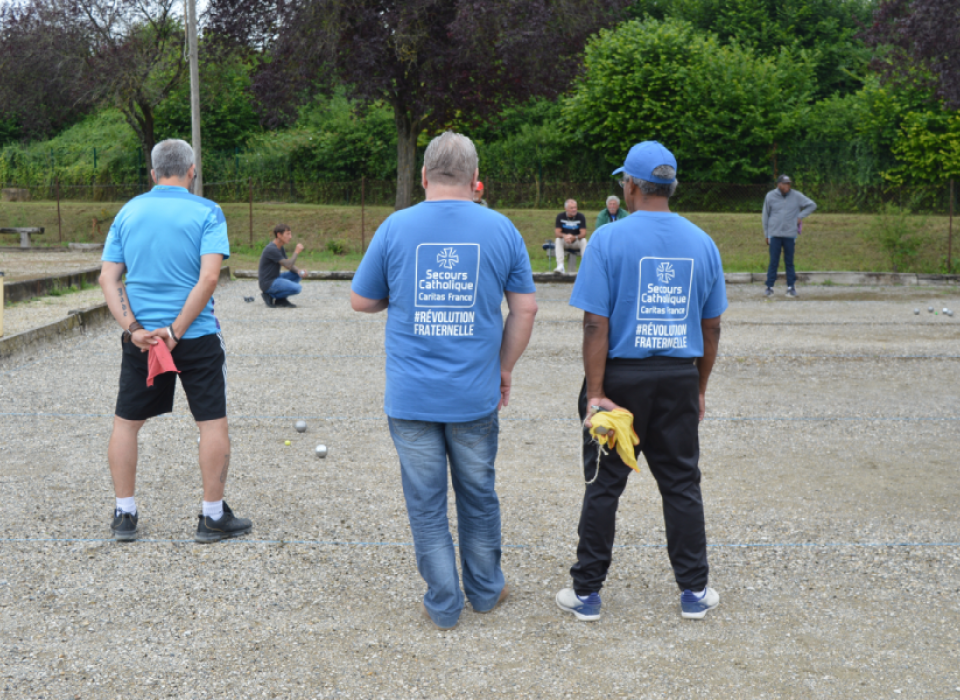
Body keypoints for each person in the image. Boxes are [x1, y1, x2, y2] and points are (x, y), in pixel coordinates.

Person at [351, 131, 538, 631]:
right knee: (479, 496)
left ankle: (443, 603)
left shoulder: (395, 227)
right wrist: (504, 367)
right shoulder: (501, 229)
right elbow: (525, 308)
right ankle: (484, 591)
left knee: (426, 504)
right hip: (474, 395)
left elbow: (361, 300)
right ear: (476, 179)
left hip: (411, 397)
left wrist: (405, 294)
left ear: (423, 176)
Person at [555, 140, 727, 622]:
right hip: (677, 377)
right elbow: (711, 327)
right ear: (670, 186)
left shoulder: (609, 239)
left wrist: (594, 394)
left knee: (604, 484)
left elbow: (595, 323)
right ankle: (694, 591)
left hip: (620, 380)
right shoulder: (702, 242)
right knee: (681, 484)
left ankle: (587, 593)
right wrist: (699, 388)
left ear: (630, 187)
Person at [99, 138, 252, 544]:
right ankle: (212, 516)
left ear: (153, 173)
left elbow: (108, 278)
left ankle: (124, 514)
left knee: (126, 425)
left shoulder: (128, 211)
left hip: (144, 340)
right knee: (211, 423)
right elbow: (209, 278)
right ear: (191, 170)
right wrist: (176, 330)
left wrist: (133, 329)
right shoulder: (207, 211)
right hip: (195, 335)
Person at [762, 174, 817, 298]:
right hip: (774, 234)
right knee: (773, 261)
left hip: (790, 234)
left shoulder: (797, 195)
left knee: (789, 262)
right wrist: (766, 234)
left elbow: (812, 205)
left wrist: (800, 216)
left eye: (789, 184)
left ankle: (791, 287)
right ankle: (769, 287)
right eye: (785, 184)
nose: (787, 186)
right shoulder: (770, 196)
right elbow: (765, 216)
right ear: (779, 185)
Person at [258, 224, 307, 308]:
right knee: (297, 288)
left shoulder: (280, 248)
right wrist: (296, 252)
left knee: (297, 275)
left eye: (290, 234)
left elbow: (288, 264)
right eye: (288, 234)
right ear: (279, 235)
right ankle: (269, 295)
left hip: (276, 278)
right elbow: (288, 265)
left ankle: (280, 300)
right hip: (268, 283)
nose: (290, 237)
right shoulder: (271, 249)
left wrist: (299, 271)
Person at [554, 199, 587, 273]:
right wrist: (565, 236)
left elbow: (584, 233)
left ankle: (585, 266)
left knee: (584, 241)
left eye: (575, 207)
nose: (574, 209)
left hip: (576, 241)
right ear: (566, 209)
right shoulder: (560, 216)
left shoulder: (581, 216)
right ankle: (560, 266)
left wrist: (574, 237)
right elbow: (557, 233)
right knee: (558, 240)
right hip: (565, 241)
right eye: (571, 208)